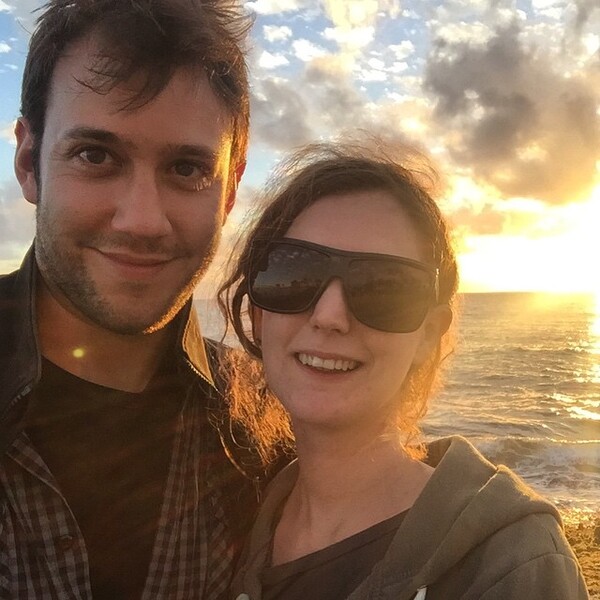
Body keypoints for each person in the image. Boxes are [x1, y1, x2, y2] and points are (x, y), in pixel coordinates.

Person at [218, 140, 590, 599]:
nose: (330, 315)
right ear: (257, 314)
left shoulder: (510, 565)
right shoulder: (237, 525)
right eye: (294, 272)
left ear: (429, 334)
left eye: (384, 289)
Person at [0, 1, 270, 598]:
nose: (143, 220)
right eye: (96, 156)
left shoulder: (261, 428)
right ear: (28, 161)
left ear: (228, 192)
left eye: (187, 168)